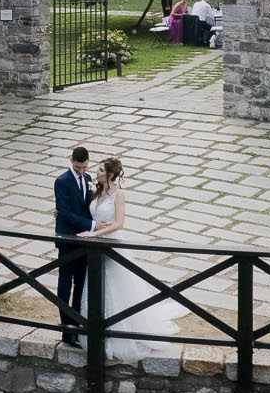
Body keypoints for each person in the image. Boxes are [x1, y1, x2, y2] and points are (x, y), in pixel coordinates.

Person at [79, 157, 183, 360]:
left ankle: (120, 332)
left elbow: (119, 224)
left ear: (110, 174)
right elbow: (89, 212)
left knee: (117, 288)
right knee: (97, 287)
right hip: (95, 247)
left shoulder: (119, 195)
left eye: (100, 170)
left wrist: (96, 235)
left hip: (112, 244)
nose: (96, 172)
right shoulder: (97, 190)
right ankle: (97, 329)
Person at [51, 145, 95, 347]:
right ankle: (65, 328)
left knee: (80, 283)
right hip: (68, 239)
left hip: (84, 241)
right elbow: (66, 212)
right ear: (71, 161)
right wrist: (92, 225)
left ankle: (76, 324)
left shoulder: (88, 179)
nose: (81, 171)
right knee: (65, 283)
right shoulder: (61, 182)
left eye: (84, 167)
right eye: (78, 167)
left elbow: (89, 208)